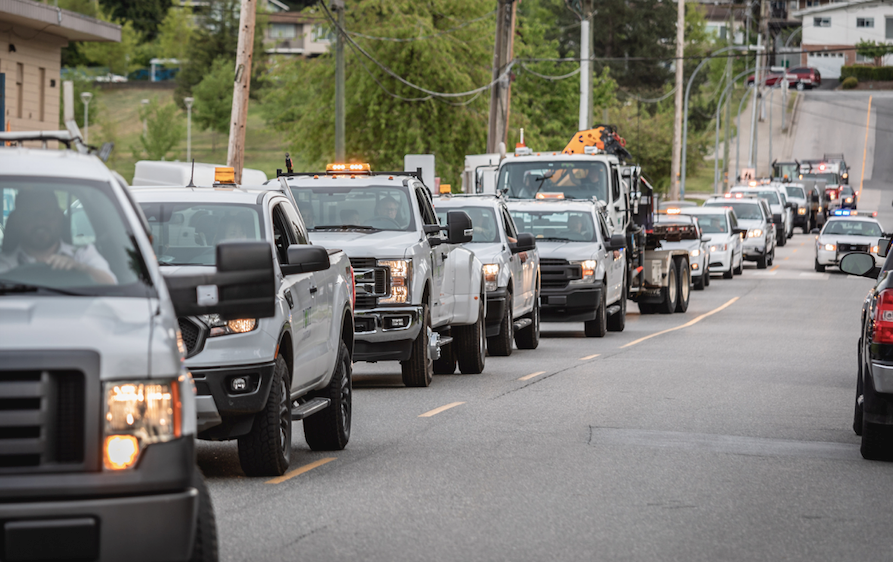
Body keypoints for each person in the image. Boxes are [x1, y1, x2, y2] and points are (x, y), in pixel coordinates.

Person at [0, 189, 116, 284]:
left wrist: (81, 268)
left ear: (60, 216)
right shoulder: (3, 263)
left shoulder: (82, 255)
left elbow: (111, 284)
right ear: (16, 220)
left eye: (48, 213)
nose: (40, 220)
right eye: (29, 214)